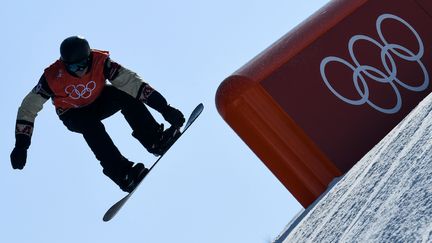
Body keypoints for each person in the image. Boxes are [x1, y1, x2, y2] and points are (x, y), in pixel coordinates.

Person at [10, 36, 185, 193]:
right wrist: (21, 145)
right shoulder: (51, 78)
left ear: (89, 57)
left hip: (99, 100)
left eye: (83, 64)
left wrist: (165, 108)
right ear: (64, 63)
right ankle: (122, 173)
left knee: (126, 93)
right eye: (73, 66)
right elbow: (28, 108)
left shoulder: (101, 62)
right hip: (73, 113)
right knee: (90, 125)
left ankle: (154, 139)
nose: (79, 70)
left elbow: (134, 83)